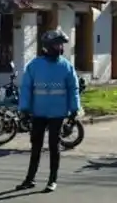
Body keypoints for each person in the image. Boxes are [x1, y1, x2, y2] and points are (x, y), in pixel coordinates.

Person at [17, 29, 81, 193]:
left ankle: (52, 180)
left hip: (57, 113)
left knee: (54, 146)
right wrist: (24, 109)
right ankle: (30, 179)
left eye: (61, 45)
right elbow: (26, 88)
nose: (60, 48)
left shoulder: (66, 66)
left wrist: (74, 110)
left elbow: (73, 89)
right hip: (38, 113)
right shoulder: (34, 65)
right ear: (47, 46)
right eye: (57, 45)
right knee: (35, 146)